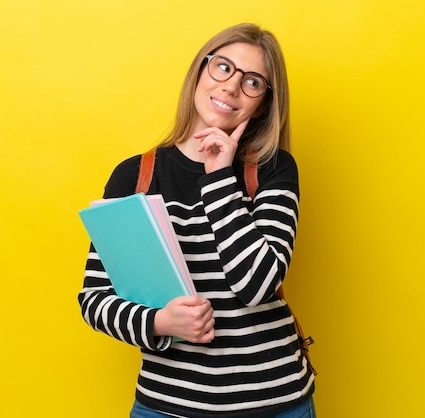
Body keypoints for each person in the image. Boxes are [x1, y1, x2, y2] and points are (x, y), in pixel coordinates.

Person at [78, 23, 316, 417]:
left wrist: (219, 176)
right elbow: (94, 299)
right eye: (223, 67)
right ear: (200, 71)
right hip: (167, 407)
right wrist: (160, 322)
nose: (231, 87)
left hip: (275, 404)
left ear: (263, 102)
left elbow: (257, 285)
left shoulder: (273, 169)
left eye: (252, 81)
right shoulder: (134, 177)